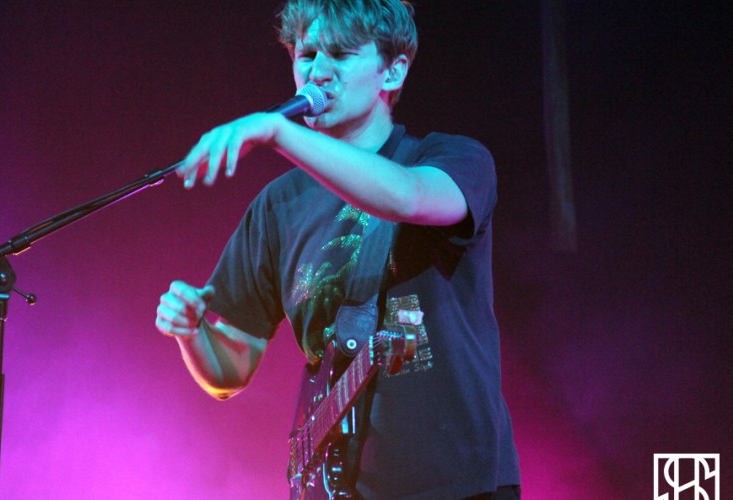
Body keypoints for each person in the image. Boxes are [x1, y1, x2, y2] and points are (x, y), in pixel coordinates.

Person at [155, 0, 520, 498]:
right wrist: (192, 333)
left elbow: (407, 197)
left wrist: (277, 131)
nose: (318, 72)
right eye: (307, 55)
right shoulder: (278, 207)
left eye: (342, 54)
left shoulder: (453, 158)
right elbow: (230, 372)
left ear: (393, 71)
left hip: (456, 485)